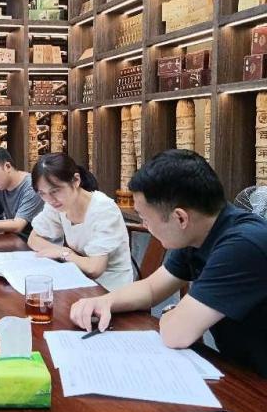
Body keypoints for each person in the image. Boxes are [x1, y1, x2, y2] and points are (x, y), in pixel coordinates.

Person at [70, 150, 267, 377]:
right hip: (240, 369)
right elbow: (151, 289)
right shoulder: (198, 234)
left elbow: (177, 334)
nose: (145, 226)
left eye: (145, 218)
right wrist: (104, 301)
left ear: (180, 217)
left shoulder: (243, 245)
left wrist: (171, 313)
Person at [27, 153, 133, 292]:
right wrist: (62, 251)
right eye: (42, 193)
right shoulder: (57, 205)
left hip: (111, 287)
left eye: (55, 191)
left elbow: (95, 269)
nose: (50, 199)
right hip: (79, 278)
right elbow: (33, 239)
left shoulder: (103, 209)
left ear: (76, 180)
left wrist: (65, 255)